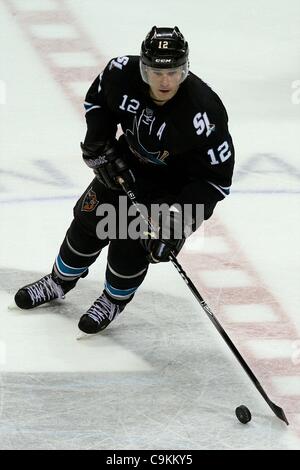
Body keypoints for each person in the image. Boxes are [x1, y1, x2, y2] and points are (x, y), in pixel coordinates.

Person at [14, 26, 235, 334]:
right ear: (143, 68)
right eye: (156, 72)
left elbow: (215, 181)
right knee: (87, 223)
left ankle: (113, 300)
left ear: (185, 70)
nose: (165, 80)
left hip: (170, 189)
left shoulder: (204, 112)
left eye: (173, 71)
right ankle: (58, 281)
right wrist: (98, 144)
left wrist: (178, 220)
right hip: (123, 166)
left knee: (130, 243)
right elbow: (98, 102)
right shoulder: (120, 72)